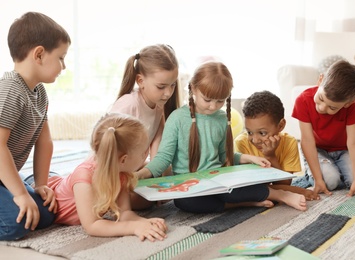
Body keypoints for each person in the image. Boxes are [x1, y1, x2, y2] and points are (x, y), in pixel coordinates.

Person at [136, 61, 307, 213]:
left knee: (237, 187)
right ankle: (245, 204)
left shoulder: (221, 119)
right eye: (208, 99)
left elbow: (224, 155)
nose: (213, 106)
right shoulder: (177, 118)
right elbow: (164, 157)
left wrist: (248, 158)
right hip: (192, 186)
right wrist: (143, 174)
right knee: (184, 203)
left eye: (220, 101)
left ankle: (278, 194)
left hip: (219, 179)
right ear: (194, 88)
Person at [0, 12, 71, 241]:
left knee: (46, 213)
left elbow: (44, 142)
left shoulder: (39, 93)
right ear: (39, 54)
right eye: (61, 57)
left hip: (4, 176)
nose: (64, 66)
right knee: (17, 224)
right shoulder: (11, 90)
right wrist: (20, 194)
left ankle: (27, 185)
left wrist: (41, 184)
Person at [46, 113, 167, 241]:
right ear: (124, 159)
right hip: (45, 194)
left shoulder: (121, 174)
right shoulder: (84, 178)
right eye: (144, 153)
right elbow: (92, 225)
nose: (147, 156)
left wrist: (143, 223)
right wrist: (133, 228)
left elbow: (124, 213)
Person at [291, 60, 355, 198]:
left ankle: (340, 170)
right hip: (318, 151)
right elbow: (307, 141)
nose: (322, 108)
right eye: (321, 98)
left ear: (348, 103)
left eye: (332, 108)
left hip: (344, 150)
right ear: (320, 80)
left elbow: (354, 142)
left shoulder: (353, 106)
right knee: (330, 181)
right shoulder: (303, 100)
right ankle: (318, 173)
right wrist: (318, 180)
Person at [110, 44, 179, 209]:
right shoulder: (128, 105)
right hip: (110, 171)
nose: (168, 93)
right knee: (142, 201)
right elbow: (106, 151)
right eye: (161, 86)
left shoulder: (158, 107)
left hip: (131, 168)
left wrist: (159, 180)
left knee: (175, 171)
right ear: (140, 81)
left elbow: (158, 151)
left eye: (173, 85)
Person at [235, 91, 319, 200]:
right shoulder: (241, 143)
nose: (255, 140)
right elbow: (247, 187)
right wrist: (297, 191)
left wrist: (270, 156)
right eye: (249, 132)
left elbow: (284, 183)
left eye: (262, 133)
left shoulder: (289, 143)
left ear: (280, 125)